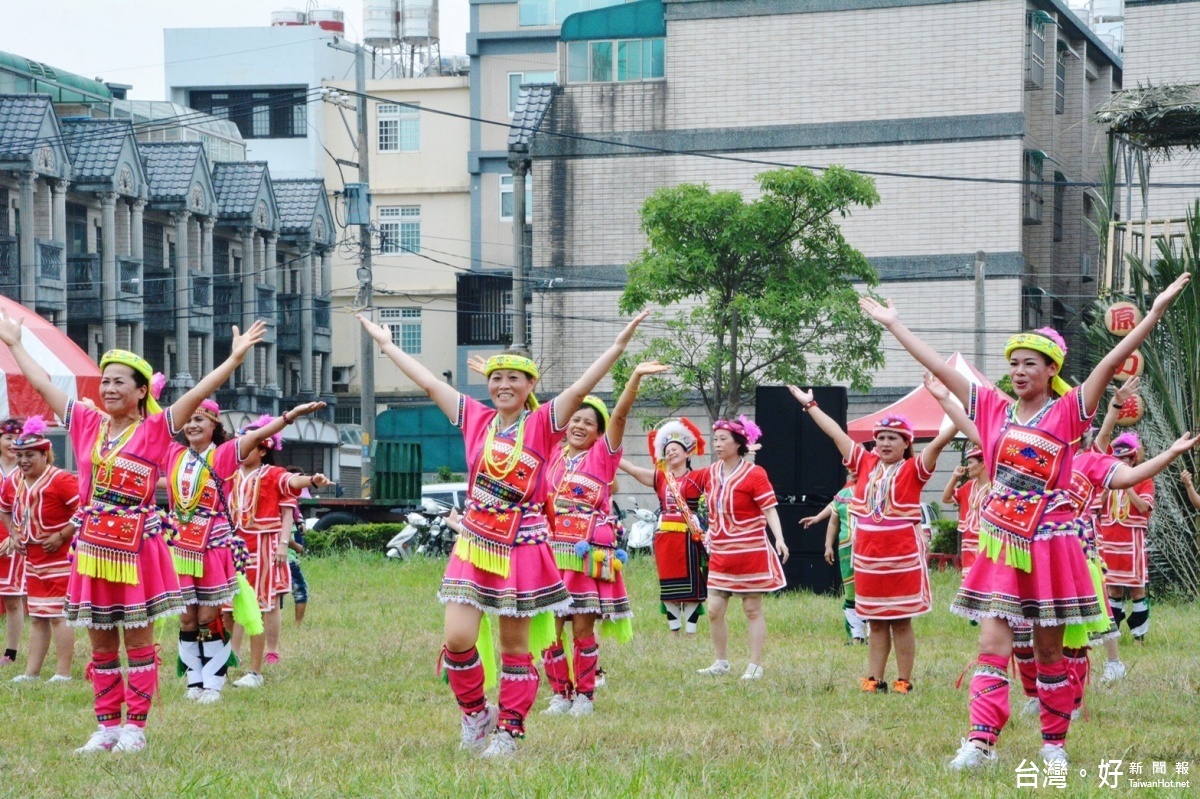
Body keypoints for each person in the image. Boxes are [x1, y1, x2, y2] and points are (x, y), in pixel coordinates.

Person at [856, 271, 1192, 769]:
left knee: (1050, 654)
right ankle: (980, 741)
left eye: (1028, 363)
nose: (1017, 371)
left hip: (1051, 545)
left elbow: (1110, 362)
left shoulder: (1068, 413)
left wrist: (1155, 313)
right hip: (1001, 544)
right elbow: (941, 373)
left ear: (1050, 369)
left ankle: (1053, 745)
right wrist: (896, 326)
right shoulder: (992, 408)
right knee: (992, 647)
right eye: (1012, 363)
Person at [360, 310, 649, 758]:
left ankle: (510, 731)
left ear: (530, 386)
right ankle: (476, 715)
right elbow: (429, 383)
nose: (504, 385)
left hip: (524, 543)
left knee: (515, 647)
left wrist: (618, 345)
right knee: (457, 639)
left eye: (514, 378)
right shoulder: (474, 417)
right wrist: (386, 343)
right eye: (497, 378)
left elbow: (581, 389)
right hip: (474, 539)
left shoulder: (543, 424)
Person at [0, 312, 267, 754]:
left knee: (138, 642)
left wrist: (234, 359)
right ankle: (105, 727)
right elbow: (45, 384)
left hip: (136, 547)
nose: (108, 389)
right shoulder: (86, 423)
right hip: (91, 547)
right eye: (104, 381)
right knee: (101, 642)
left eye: (119, 381)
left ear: (141, 391)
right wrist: (15, 344)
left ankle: (135, 730)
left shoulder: (156, 429)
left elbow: (201, 391)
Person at [792, 387, 953, 693]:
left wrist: (960, 411)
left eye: (893, 437)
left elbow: (940, 441)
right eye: (880, 437)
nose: (884, 443)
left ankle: (904, 680)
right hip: (867, 558)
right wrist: (810, 404)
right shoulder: (864, 464)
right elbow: (836, 434)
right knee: (876, 622)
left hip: (901, 558)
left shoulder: (914, 470)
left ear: (907, 443)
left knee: (901, 622)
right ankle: (873, 678)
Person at [168, 399, 324, 703]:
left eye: (201, 420)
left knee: (245, 610)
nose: (192, 425)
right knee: (189, 618)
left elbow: (290, 482)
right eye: (188, 419)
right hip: (186, 548)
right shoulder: (175, 454)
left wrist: (290, 417)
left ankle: (226, 678)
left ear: (215, 425)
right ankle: (194, 680)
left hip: (232, 547)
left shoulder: (227, 457)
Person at [540, 361, 666, 717]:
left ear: (598, 433)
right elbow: (536, 416)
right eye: (575, 420)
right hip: (550, 553)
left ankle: (584, 696)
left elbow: (621, 417)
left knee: (582, 628)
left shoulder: (602, 458)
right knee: (549, 628)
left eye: (588, 422)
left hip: (586, 555)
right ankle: (559, 694)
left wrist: (634, 380)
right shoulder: (551, 454)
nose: (579, 425)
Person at [227, 416, 331, 688]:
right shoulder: (230, 475)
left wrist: (313, 479)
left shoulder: (272, 474)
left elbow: (293, 482)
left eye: (250, 445)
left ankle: (259, 663)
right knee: (233, 602)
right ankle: (232, 656)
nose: (243, 450)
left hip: (264, 543)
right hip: (236, 544)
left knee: (264, 601)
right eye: (241, 444)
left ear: (263, 450)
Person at [695, 415, 789, 681]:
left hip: (750, 550)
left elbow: (769, 509)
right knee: (713, 609)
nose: (718, 444)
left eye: (723, 439)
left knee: (751, 608)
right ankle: (721, 661)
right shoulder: (711, 473)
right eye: (716, 439)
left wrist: (779, 538)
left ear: (739, 444)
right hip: (722, 553)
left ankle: (755, 665)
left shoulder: (755, 474)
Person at [0, 417, 79, 683]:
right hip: (32, 557)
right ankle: (31, 673)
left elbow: (83, 512)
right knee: (37, 615)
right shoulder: (14, 482)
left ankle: (63, 672)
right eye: (19, 455)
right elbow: (5, 508)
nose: (23, 460)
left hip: (59, 557)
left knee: (57, 615)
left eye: (29, 455)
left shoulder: (62, 480)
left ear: (45, 455)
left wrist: (61, 535)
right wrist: (14, 533)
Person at [619, 417, 710, 635]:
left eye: (676, 448)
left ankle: (690, 632)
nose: (671, 453)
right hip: (665, 538)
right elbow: (632, 468)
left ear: (688, 453)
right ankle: (674, 632)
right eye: (667, 450)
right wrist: (609, 452)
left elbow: (721, 474)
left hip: (689, 537)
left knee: (691, 585)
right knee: (669, 586)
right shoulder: (660, 478)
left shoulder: (699, 477)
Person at [1096, 432, 1155, 642]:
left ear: (1133, 460)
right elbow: (1094, 508)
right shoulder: (1107, 482)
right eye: (1116, 460)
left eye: (1124, 460)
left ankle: (1139, 637)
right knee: (1112, 589)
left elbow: (1143, 507)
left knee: (1137, 590)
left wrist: (1128, 486)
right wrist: (1106, 490)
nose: (1120, 463)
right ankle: (1112, 634)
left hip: (1132, 541)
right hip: (1109, 540)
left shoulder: (1144, 480)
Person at [800, 472, 865, 644]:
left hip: (871, 551)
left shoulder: (875, 490)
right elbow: (834, 520)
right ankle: (856, 635)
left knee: (872, 591)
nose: (853, 472)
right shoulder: (844, 495)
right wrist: (828, 545)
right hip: (846, 550)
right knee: (851, 592)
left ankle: (877, 635)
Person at [941, 448, 989, 580]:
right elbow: (945, 498)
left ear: (983, 463)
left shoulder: (995, 488)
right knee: (969, 578)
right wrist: (955, 477)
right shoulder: (969, 486)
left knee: (985, 577)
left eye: (970, 462)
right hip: (968, 540)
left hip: (987, 538)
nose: (968, 467)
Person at [0, 417, 23, 667]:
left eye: (17, 439)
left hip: (14, 539)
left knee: (12, 598)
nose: (13, 443)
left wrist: (12, 538)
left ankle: (10, 652)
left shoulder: (25, 470)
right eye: (8, 438)